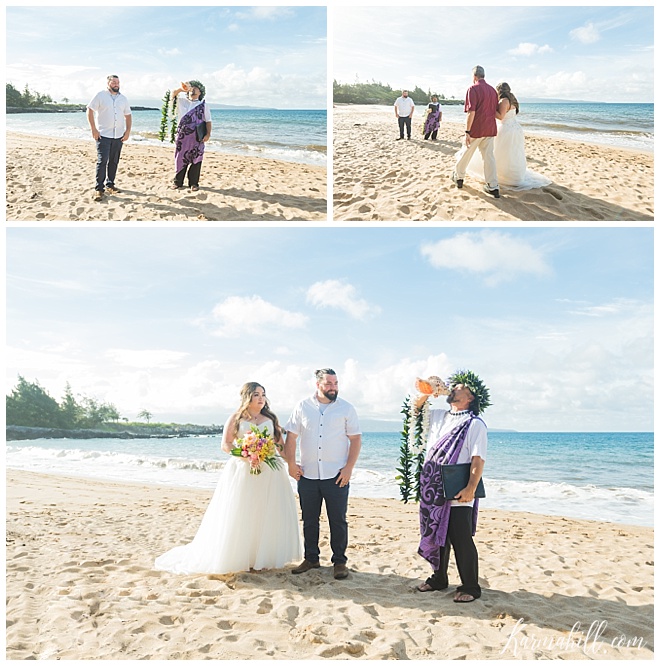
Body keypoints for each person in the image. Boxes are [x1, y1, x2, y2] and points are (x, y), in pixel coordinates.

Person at [154, 382, 301, 574]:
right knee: (243, 511)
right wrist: (248, 455)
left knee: (267, 512)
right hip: (243, 470)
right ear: (247, 396)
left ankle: (263, 557)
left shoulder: (270, 419)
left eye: (263, 394)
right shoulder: (236, 418)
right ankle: (243, 556)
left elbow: (280, 446)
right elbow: (226, 445)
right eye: (256, 394)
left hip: (270, 472)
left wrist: (292, 463)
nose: (261, 398)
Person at [414, 370, 491, 603]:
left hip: (458, 489)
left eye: (459, 387)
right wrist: (428, 391)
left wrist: (470, 488)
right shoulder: (439, 416)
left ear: (470, 397)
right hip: (434, 486)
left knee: (460, 538)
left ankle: (471, 586)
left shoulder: (475, 424)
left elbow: (478, 459)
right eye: (453, 385)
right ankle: (439, 579)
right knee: (438, 534)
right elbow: (415, 411)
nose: (453, 388)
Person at [284, 369, 361, 580]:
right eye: (328, 384)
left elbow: (355, 439)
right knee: (309, 519)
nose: (333, 387)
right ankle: (311, 558)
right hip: (307, 475)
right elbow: (291, 437)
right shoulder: (303, 406)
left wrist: (349, 468)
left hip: (336, 475)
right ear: (318, 384)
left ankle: (340, 562)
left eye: (335, 383)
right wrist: (291, 464)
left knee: (338, 520)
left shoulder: (346, 408)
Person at [466, 82, 551, 190]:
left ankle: (502, 176)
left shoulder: (503, 101)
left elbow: (501, 116)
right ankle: (514, 175)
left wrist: (489, 109)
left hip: (506, 129)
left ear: (499, 91)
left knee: (500, 152)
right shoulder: (513, 99)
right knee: (513, 153)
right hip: (516, 128)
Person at [452, 66, 500, 198]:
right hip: (490, 128)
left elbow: (471, 112)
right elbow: (495, 111)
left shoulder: (472, 89)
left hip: (477, 128)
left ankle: (459, 177)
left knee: (466, 152)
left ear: (474, 76)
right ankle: (493, 186)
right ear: (483, 75)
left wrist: (467, 131)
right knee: (489, 158)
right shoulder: (493, 91)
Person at [86, 75, 132, 201]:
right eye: (113, 82)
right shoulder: (100, 95)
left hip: (118, 136)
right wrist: (94, 129)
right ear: (108, 83)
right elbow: (89, 110)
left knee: (114, 161)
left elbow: (128, 115)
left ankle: (110, 184)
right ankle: (99, 189)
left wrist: (127, 131)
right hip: (103, 135)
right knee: (102, 162)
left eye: (118, 82)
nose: (116, 84)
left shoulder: (123, 99)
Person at [170, 80, 212, 191]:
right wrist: (182, 89)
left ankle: (194, 183)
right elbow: (172, 94)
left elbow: (208, 121)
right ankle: (178, 182)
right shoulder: (181, 101)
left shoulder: (203, 105)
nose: (193, 89)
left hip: (197, 137)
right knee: (180, 158)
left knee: (196, 159)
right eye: (191, 88)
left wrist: (208, 134)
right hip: (182, 136)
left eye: (196, 88)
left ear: (200, 92)